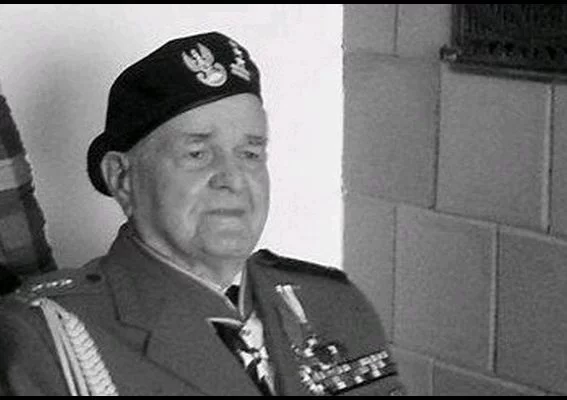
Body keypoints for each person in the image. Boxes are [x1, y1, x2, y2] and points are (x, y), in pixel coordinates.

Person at [0, 31, 405, 396]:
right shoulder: (45, 339)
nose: (233, 178)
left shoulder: (333, 303)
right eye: (197, 153)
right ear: (122, 178)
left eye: (250, 153)